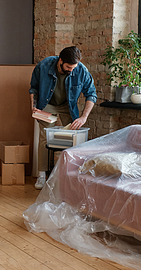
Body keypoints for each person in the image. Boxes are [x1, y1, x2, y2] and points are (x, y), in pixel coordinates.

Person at [29, 46, 97, 189]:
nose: (71, 70)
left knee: (73, 136)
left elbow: (91, 94)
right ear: (60, 60)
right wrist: (33, 106)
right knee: (44, 137)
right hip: (47, 104)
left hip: (68, 106)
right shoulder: (44, 65)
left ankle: (69, 174)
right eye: (68, 67)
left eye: (74, 67)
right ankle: (42, 175)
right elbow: (33, 88)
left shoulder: (81, 70)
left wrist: (83, 117)